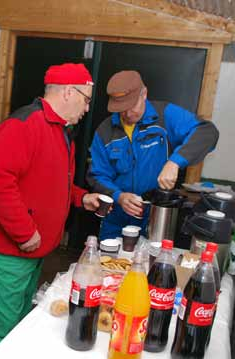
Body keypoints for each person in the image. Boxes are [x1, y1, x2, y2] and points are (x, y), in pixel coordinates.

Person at [0, 63, 104, 358]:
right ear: (69, 91)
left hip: (32, 248)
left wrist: (81, 198)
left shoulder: (60, 130)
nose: (86, 108)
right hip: (10, 250)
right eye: (86, 99)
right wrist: (23, 231)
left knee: (20, 322)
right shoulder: (24, 124)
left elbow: (53, 182)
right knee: (3, 328)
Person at [87, 70, 219, 240]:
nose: (127, 114)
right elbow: (98, 176)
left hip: (156, 217)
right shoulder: (104, 131)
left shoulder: (165, 116)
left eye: (131, 106)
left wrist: (174, 162)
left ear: (144, 94)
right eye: (121, 109)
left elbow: (207, 132)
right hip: (116, 218)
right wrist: (119, 196)